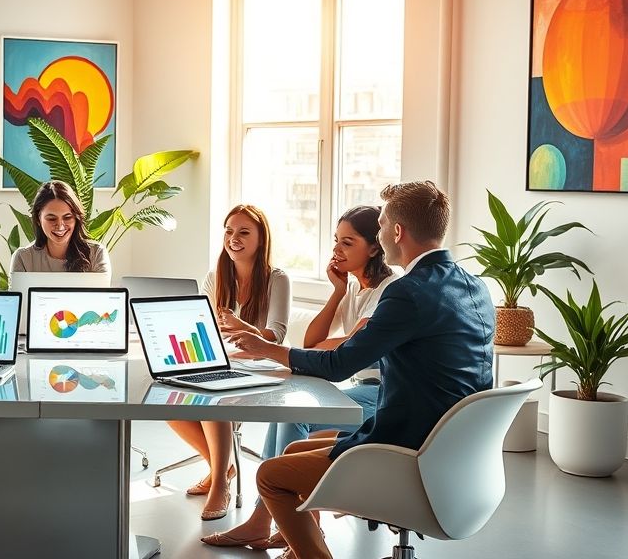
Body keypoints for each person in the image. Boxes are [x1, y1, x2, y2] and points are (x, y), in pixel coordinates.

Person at [223, 181, 494, 559]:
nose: (380, 236)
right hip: (453, 449)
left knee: (270, 476)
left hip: (410, 450)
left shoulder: (407, 292)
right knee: (296, 445)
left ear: (396, 232)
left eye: (381, 225)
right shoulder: (474, 285)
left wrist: (270, 349)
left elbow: (340, 364)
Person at [202, 205, 396, 549]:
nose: (336, 250)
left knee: (293, 416)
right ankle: (276, 522)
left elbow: (346, 349)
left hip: (382, 394)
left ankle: (278, 522)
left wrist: (332, 344)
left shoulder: (388, 289)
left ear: (375, 247)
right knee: (285, 412)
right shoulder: (355, 288)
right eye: (336, 241)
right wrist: (337, 291)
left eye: (347, 243)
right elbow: (312, 343)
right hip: (357, 386)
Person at [171, 204, 291, 521]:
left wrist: (241, 327)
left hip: (263, 368)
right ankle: (221, 468)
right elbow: (203, 327)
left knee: (213, 398)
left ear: (260, 239)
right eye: (228, 231)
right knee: (166, 397)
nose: (233, 238)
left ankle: (219, 486)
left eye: (243, 232)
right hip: (221, 361)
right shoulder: (216, 277)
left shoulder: (277, 279)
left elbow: (276, 336)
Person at [10, 180, 109, 273]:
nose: (60, 226)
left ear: (76, 219)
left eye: (67, 218)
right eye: (52, 219)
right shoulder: (23, 258)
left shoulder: (96, 254)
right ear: (38, 219)